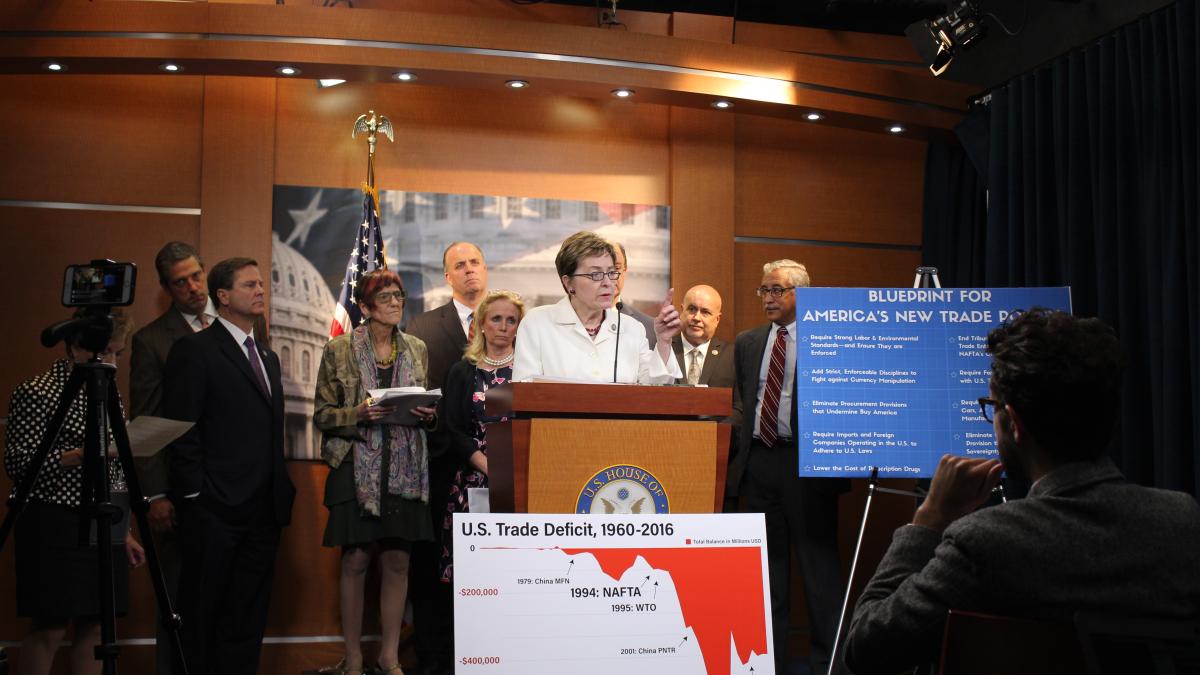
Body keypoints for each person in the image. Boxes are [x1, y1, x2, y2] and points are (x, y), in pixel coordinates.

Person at [844, 309, 1200, 675]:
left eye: (992, 407)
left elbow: (865, 647)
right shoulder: (1183, 521)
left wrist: (927, 521)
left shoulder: (986, 543)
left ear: (1013, 423)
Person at [162, 257, 296, 675]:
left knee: (247, 619)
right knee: (202, 617)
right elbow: (181, 431)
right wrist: (195, 496)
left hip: (263, 511)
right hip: (213, 512)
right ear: (223, 296)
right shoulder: (194, 350)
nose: (260, 291)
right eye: (249, 285)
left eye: (261, 284)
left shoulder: (268, 357)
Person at [4, 310, 146, 675]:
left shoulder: (109, 391)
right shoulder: (37, 391)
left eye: (117, 353)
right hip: (53, 519)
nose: (111, 362)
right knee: (50, 626)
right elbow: (19, 466)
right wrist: (83, 454)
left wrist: (124, 529)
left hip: (102, 518)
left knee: (97, 624)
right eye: (104, 353)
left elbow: (115, 465)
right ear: (75, 347)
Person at [314, 269, 437, 675]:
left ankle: (389, 656)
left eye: (399, 296)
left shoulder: (417, 348)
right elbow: (323, 414)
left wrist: (427, 415)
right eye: (385, 298)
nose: (396, 303)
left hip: (406, 467)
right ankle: (352, 658)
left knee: (399, 559)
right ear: (364, 307)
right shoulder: (339, 350)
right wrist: (358, 413)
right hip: (355, 466)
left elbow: (430, 411)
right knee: (356, 560)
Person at [731, 259, 847, 675]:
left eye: (777, 290)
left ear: (802, 294)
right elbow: (745, 401)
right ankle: (770, 663)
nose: (768, 298)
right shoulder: (748, 342)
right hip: (759, 464)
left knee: (819, 572)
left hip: (808, 466)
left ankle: (828, 663)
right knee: (768, 572)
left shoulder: (829, 340)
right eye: (764, 290)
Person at [128, 241, 218, 675]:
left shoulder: (238, 325)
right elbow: (146, 421)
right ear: (167, 288)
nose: (193, 288)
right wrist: (155, 495)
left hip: (232, 490)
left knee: (224, 599)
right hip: (178, 494)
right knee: (178, 599)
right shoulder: (151, 341)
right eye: (180, 282)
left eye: (196, 275)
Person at [403, 241, 487, 675]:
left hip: (494, 471)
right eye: (460, 265)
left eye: (476, 262)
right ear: (447, 277)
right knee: (436, 567)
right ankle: (435, 657)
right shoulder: (422, 326)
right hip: (439, 466)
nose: (470, 270)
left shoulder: (510, 321)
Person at [513, 231, 682, 383]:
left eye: (611, 272)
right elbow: (525, 391)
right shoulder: (537, 323)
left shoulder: (632, 328)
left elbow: (656, 387)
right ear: (568, 282)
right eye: (596, 274)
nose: (608, 283)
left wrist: (664, 342)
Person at [438, 290, 525, 582]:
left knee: (517, 568)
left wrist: (511, 473)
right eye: (496, 318)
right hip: (474, 477)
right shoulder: (462, 371)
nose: (503, 326)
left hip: (523, 479)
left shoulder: (530, 371)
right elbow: (453, 429)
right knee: (477, 573)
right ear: (482, 324)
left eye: (511, 320)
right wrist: (488, 467)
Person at [671, 284, 735, 388]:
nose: (696, 317)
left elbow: (737, 402)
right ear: (682, 311)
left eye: (705, 312)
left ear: (717, 319)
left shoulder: (732, 356)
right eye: (691, 309)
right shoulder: (664, 348)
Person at [611, 242, 657, 349]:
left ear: (625, 271)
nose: (610, 276)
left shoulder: (649, 328)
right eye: (602, 269)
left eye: (616, 268)